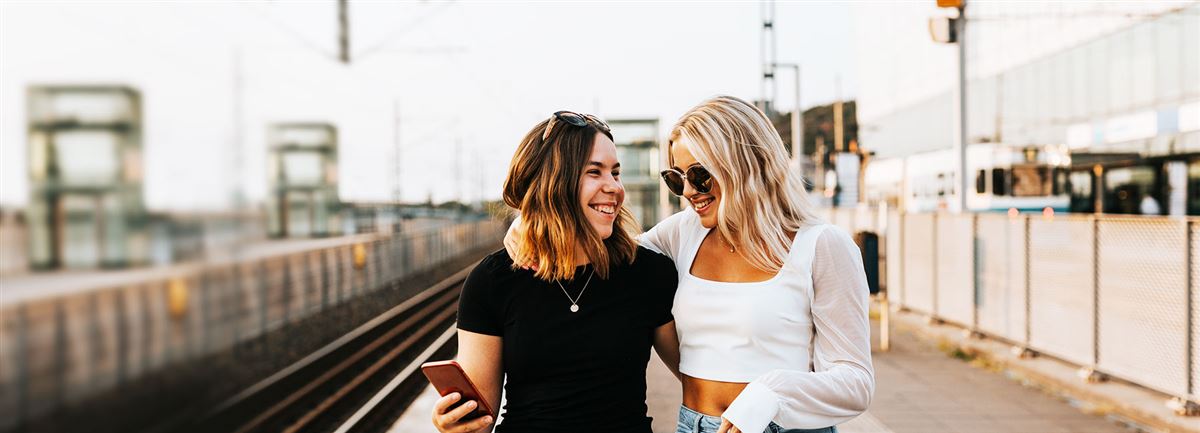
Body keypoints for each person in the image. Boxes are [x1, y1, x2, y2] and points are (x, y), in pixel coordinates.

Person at [506, 96, 874, 433]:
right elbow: (596, 251)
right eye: (676, 178)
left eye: (698, 175)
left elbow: (855, 382)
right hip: (693, 426)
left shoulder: (821, 245)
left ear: (745, 164)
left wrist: (771, 393)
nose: (688, 191)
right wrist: (532, 222)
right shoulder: (682, 234)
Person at [432, 111, 680, 433]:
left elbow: (699, 373)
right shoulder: (493, 281)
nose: (614, 188)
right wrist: (454, 423)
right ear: (554, 183)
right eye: (595, 172)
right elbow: (481, 416)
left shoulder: (647, 272)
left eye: (615, 173)